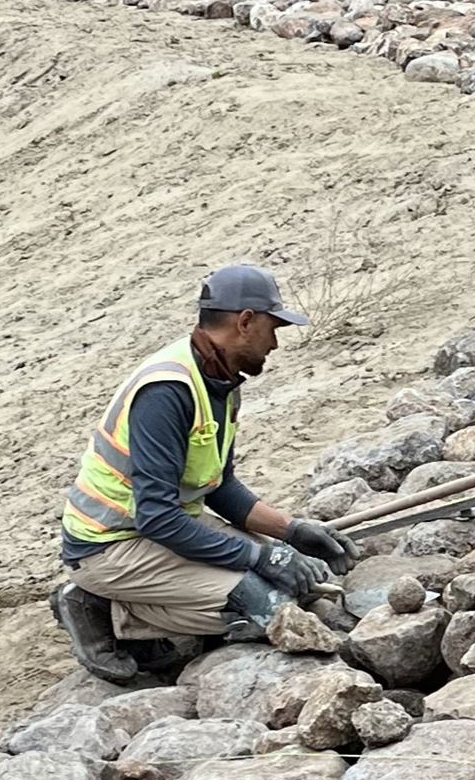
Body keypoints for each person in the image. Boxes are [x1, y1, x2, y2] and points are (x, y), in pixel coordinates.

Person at [51, 263, 358, 681]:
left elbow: (218, 486)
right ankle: (100, 605)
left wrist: (290, 531)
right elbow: (156, 515)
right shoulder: (167, 391)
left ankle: (138, 607)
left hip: (164, 529)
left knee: (296, 582)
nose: (275, 344)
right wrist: (261, 554)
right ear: (245, 322)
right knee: (258, 603)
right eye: (273, 329)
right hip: (109, 545)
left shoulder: (218, 380)